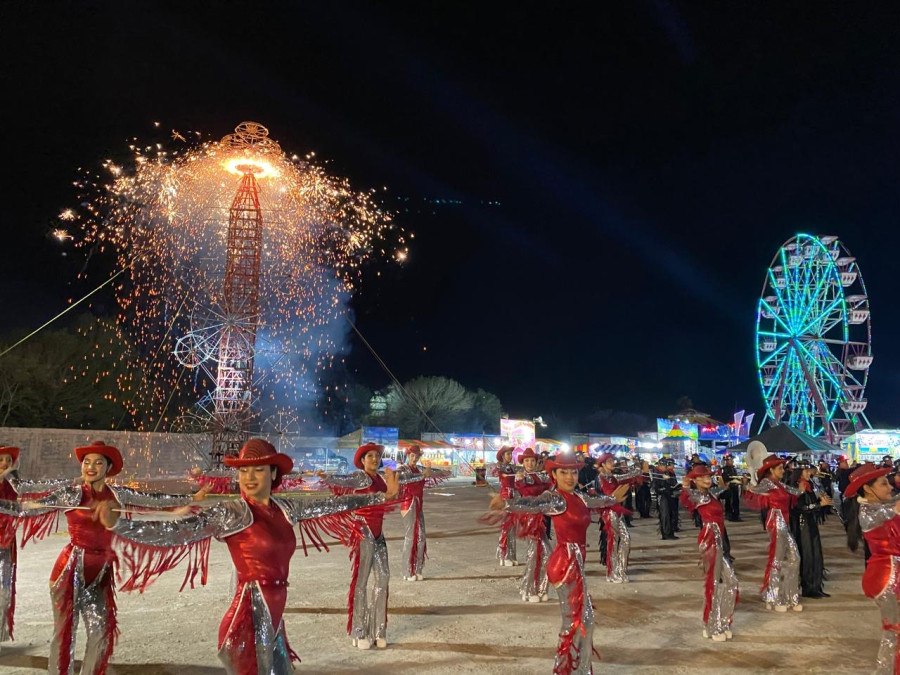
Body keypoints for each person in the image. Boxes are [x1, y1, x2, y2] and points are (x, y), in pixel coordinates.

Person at [101, 438, 399, 671]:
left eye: (258, 469)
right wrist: (120, 525)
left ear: (273, 473)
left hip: (274, 621)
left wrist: (379, 496)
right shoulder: (232, 512)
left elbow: (330, 505)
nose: (249, 477)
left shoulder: (285, 508)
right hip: (248, 621)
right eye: (243, 470)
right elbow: (177, 532)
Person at [0, 440, 207, 675]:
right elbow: (27, 507)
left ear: (108, 468)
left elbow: (153, 499)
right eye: (87, 462)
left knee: (100, 632)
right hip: (70, 569)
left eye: (98, 462)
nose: (91, 467)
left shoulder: (118, 494)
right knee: (64, 632)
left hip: (100, 573)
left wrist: (189, 498)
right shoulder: (71, 494)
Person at [488, 451, 629, 674]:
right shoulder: (554, 498)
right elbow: (529, 503)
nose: (570, 477)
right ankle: (565, 670)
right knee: (575, 622)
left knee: (586, 622)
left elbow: (596, 500)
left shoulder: (580, 497)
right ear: (554, 474)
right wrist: (507, 502)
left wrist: (612, 499)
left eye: (573, 471)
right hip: (565, 564)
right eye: (563, 472)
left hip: (577, 563)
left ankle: (581, 670)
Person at [320, 442, 421, 649]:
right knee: (361, 582)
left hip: (378, 534)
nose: (375, 459)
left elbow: (397, 488)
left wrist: (417, 477)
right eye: (370, 456)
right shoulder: (360, 477)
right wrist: (326, 477)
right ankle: (358, 631)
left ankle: (378, 630)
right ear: (362, 461)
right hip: (363, 531)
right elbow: (344, 480)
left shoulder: (380, 479)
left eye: (377, 456)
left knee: (383, 577)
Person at [743, 453, 827, 612]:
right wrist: (752, 486)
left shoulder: (779, 484)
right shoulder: (768, 482)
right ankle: (773, 597)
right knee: (778, 559)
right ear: (771, 470)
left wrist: (803, 487)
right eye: (780, 468)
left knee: (795, 557)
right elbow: (752, 490)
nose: (784, 470)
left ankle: (790, 596)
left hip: (784, 522)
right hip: (776, 521)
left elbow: (795, 492)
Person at [844, 462, 900, 673]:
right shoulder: (867, 512)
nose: (890, 488)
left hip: (893, 574)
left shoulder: (881, 506)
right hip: (886, 577)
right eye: (884, 484)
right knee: (893, 631)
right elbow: (889, 511)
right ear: (868, 488)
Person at [679, 464, 739, 642]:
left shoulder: (711, 494)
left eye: (709, 476)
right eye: (703, 477)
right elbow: (686, 497)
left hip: (719, 539)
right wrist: (685, 486)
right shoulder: (697, 495)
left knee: (731, 582)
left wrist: (726, 482)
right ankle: (711, 626)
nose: (707, 479)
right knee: (713, 584)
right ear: (695, 480)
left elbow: (723, 489)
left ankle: (723, 622)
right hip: (709, 539)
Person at [396, 445, 449, 582]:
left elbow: (432, 474)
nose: (415, 458)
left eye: (417, 456)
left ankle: (417, 569)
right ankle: (406, 571)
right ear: (408, 456)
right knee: (410, 538)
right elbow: (404, 479)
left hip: (419, 505)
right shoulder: (403, 469)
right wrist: (422, 475)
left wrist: (440, 472)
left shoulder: (418, 469)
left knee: (421, 538)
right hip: (408, 505)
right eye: (413, 456)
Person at [786, 460, 833, 598]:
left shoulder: (810, 485)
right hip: (802, 526)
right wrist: (819, 504)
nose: (809, 473)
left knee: (816, 554)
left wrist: (823, 505)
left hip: (811, 523)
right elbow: (798, 508)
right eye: (806, 471)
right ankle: (808, 588)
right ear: (799, 472)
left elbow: (811, 505)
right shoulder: (795, 486)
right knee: (807, 556)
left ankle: (816, 586)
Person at [594, 453, 640, 582]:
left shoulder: (613, 477)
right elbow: (598, 498)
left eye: (613, 460)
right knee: (612, 542)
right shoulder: (599, 478)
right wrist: (612, 498)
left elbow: (630, 475)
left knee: (625, 539)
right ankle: (612, 573)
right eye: (609, 461)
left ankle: (621, 570)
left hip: (618, 512)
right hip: (609, 513)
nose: (613, 463)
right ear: (603, 464)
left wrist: (637, 466)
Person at [513, 448, 551, 602]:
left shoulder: (541, 476)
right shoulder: (521, 478)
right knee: (534, 554)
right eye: (526, 461)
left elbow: (549, 487)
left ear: (536, 462)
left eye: (532, 460)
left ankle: (540, 588)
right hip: (529, 520)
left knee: (546, 554)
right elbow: (522, 488)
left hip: (541, 519)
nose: (529, 463)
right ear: (522, 463)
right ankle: (528, 590)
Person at [493, 446, 519, 566]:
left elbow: (520, 470)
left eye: (510, 454)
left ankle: (511, 555)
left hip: (513, 497)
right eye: (508, 454)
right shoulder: (500, 467)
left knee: (512, 528)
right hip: (505, 498)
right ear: (503, 456)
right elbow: (494, 471)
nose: (510, 456)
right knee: (506, 527)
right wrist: (500, 471)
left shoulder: (512, 467)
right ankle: (503, 556)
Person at [653, 458, 681, 540]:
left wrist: (672, 488)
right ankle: (666, 533)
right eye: (665, 465)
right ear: (660, 465)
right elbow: (656, 488)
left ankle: (670, 532)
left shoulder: (664, 473)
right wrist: (665, 488)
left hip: (668, 495)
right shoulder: (657, 474)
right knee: (665, 515)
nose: (666, 467)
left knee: (670, 514)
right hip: (662, 497)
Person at [720, 454, 743, 522]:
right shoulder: (724, 469)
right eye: (731, 460)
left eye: (732, 459)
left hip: (734, 487)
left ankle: (735, 515)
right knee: (730, 502)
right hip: (729, 488)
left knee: (735, 501)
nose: (732, 461)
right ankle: (731, 515)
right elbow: (724, 479)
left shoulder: (733, 468)